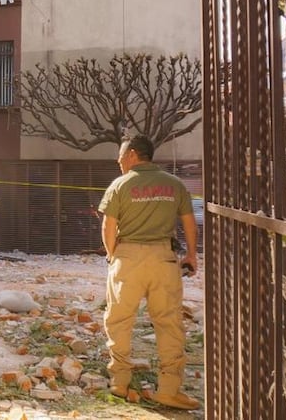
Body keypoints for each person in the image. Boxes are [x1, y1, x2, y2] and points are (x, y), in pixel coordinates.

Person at [99, 134, 199, 411]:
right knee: (168, 323)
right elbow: (190, 224)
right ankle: (169, 389)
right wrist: (191, 255)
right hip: (164, 259)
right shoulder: (174, 184)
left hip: (127, 257)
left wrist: (112, 254)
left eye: (120, 156)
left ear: (132, 154)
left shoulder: (119, 185)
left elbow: (108, 227)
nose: (118, 162)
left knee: (119, 320)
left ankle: (119, 381)